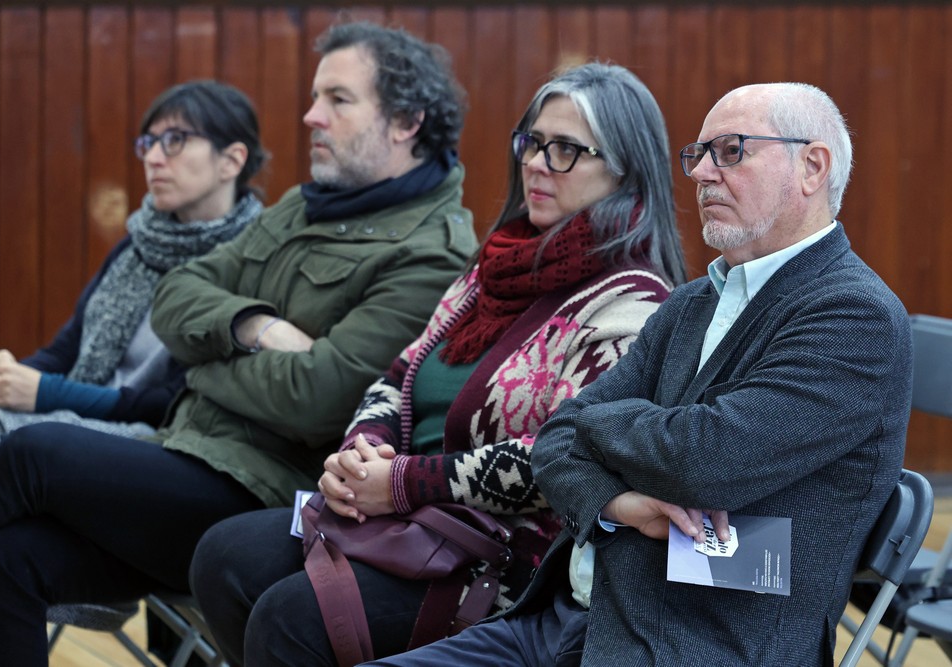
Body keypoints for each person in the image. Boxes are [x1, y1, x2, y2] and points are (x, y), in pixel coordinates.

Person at [0, 21, 476, 666]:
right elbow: (178, 291)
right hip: (185, 454)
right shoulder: (304, 206)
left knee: (29, 453)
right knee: (9, 556)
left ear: (406, 122)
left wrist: (201, 371)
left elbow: (317, 399)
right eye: (316, 97)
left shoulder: (429, 254)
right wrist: (252, 328)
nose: (311, 116)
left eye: (338, 100)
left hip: (263, 494)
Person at [357, 83, 913, 666]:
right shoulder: (694, 302)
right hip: (571, 616)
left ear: (812, 166)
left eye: (731, 152)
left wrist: (603, 422)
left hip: (697, 645)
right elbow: (555, 441)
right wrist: (619, 503)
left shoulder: (855, 317)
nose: (701, 174)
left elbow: (705, 459)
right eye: (698, 155)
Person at [190, 61, 688, 667]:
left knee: (290, 619)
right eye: (531, 141)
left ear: (625, 171)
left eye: (565, 150)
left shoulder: (634, 304)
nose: (534, 162)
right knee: (222, 556)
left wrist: (400, 483)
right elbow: (400, 374)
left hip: (506, 559)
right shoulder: (495, 266)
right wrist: (361, 453)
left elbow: (567, 458)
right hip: (405, 516)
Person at [0, 79, 268, 662]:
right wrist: (10, 372)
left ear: (233, 158)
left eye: (175, 140)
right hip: (78, 433)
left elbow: (182, 401)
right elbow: (65, 351)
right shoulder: (136, 245)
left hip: (166, 450)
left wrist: (46, 391)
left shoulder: (253, 262)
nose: (152, 156)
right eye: (148, 140)